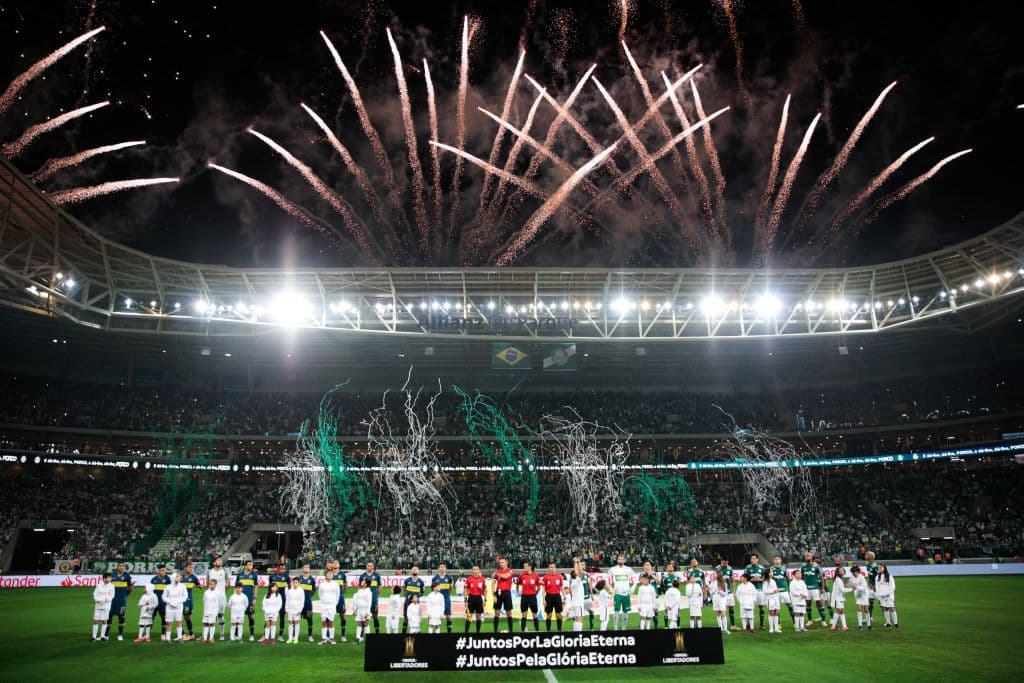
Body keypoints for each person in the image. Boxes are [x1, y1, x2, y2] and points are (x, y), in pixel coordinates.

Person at [234, 559, 260, 642]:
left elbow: (256, 587)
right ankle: (236, 634)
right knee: (238, 616)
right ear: (245, 566)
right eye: (249, 565)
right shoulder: (239, 575)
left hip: (250, 599)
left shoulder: (254, 575)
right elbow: (236, 587)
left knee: (250, 616)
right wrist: (235, 597)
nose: (251, 566)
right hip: (240, 600)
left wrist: (254, 598)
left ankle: (251, 635)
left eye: (252, 565)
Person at [801, 552, 828, 628]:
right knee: (808, 604)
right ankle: (810, 620)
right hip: (806, 589)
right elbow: (802, 578)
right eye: (805, 556)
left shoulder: (816, 566)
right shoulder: (803, 567)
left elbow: (821, 578)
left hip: (815, 588)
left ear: (811, 557)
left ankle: (823, 620)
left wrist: (822, 588)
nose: (806, 557)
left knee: (819, 603)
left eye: (807, 556)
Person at [107, 562, 133, 641]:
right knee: (109, 616)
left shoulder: (127, 576)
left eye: (123, 566)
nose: (121, 567)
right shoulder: (112, 575)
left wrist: (125, 595)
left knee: (121, 617)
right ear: (117, 566)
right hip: (111, 601)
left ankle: (120, 634)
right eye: (120, 566)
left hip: (122, 601)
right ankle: (106, 634)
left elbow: (130, 588)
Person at [608, 555, 634, 630]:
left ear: (624, 561)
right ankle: (615, 628)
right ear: (617, 560)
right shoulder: (613, 569)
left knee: (625, 612)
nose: (620, 560)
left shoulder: (628, 569)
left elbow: (635, 578)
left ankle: (624, 628)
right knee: (616, 611)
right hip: (617, 594)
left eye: (622, 559)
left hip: (626, 594)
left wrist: (632, 588)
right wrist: (611, 588)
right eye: (619, 559)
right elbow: (607, 578)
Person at [358, 561, 383, 634]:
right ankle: (361, 635)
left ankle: (377, 633)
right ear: (366, 566)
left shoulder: (377, 576)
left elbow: (379, 588)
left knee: (375, 617)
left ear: (373, 567)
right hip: (364, 601)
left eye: (371, 566)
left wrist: (375, 596)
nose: (369, 567)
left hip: (374, 600)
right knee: (363, 618)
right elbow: (359, 587)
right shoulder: (362, 576)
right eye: (368, 566)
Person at [714, 557, 738, 631]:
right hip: (721, 593)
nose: (726, 564)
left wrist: (734, 592)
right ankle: (722, 627)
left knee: (731, 607)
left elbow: (732, 580)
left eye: (727, 563)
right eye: (724, 562)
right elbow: (716, 579)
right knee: (721, 609)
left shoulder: (730, 568)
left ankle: (733, 625)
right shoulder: (717, 568)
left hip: (729, 591)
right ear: (721, 561)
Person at [491, 557, 515, 633]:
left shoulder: (510, 570)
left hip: (507, 593)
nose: (501, 564)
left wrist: (497, 574)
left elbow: (506, 576)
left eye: (502, 562)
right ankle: (495, 631)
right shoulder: (498, 571)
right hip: (498, 593)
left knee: (509, 613)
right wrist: (494, 595)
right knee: (497, 612)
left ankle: (511, 631)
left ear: (506, 562)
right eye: (500, 562)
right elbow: (493, 584)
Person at [207, 557, 228, 641]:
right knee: (211, 615)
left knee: (220, 615)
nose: (220, 561)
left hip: (221, 597)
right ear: (214, 562)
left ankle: (222, 634)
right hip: (211, 597)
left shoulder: (225, 571)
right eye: (218, 560)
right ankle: (210, 634)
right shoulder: (210, 572)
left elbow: (228, 583)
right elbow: (207, 583)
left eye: (221, 560)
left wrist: (221, 592)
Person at [267, 562, 290, 640]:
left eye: (284, 569)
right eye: (281, 568)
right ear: (277, 568)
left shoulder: (286, 576)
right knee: (269, 617)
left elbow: (289, 588)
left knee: (282, 617)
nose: (283, 570)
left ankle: (280, 635)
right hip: (273, 600)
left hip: (283, 600)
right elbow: (269, 588)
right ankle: (265, 634)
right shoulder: (272, 577)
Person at [743, 554, 766, 630]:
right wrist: (753, 579)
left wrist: (759, 579)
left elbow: (765, 579)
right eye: (751, 559)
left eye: (753, 558)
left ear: (757, 559)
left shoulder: (762, 568)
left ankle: (761, 624)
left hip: (759, 590)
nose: (752, 560)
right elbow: (744, 579)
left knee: (761, 607)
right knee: (749, 608)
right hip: (750, 592)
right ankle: (749, 624)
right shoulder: (747, 568)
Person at [318, 567, 341, 644]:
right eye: (328, 574)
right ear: (325, 575)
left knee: (331, 621)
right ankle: (324, 638)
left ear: (332, 575)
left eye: (331, 574)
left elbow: (338, 595)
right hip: (324, 605)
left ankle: (331, 638)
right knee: (324, 621)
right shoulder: (322, 584)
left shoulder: (335, 584)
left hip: (332, 605)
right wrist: (322, 603)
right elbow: (320, 595)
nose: (330, 575)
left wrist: (335, 604)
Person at [163, 573, 188, 642]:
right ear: (173, 578)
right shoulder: (168, 587)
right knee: (168, 622)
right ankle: (168, 639)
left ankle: (179, 638)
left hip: (179, 606)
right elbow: (164, 596)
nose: (179, 578)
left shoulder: (182, 586)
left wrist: (178, 601)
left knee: (179, 621)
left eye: (179, 577)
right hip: (169, 607)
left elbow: (185, 596)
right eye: (177, 577)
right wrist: (170, 602)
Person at [431, 563, 455, 633]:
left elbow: (451, 589)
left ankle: (449, 633)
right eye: (441, 567)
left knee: (448, 616)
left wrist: (447, 595)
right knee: (437, 617)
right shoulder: (435, 578)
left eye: (443, 567)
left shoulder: (449, 578)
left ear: (445, 568)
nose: (442, 568)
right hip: (437, 601)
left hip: (446, 599)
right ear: (438, 568)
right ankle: (437, 632)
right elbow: (433, 589)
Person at [540, 563, 564, 631]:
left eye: (553, 567)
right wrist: (544, 600)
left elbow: (562, 588)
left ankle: (559, 630)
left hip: (557, 596)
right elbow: (543, 589)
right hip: (549, 596)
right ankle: (548, 631)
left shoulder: (559, 577)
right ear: (548, 568)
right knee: (549, 615)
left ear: (555, 568)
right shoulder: (545, 577)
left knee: (558, 615)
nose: (552, 568)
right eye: (551, 567)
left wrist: (564, 597)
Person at [328, 559, 348, 642]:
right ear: (332, 565)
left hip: (340, 598)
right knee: (329, 616)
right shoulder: (329, 574)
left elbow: (345, 587)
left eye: (337, 562)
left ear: (339, 565)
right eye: (334, 563)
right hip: (331, 600)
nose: (335, 564)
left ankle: (343, 635)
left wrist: (341, 595)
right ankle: (329, 635)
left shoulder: (342, 575)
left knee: (342, 616)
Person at [518, 561, 541, 632]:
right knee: (524, 615)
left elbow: (538, 587)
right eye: (524, 566)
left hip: (532, 597)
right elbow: (518, 584)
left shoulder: (535, 575)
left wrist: (534, 593)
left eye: (526, 566)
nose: (524, 568)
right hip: (524, 597)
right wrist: (518, 592)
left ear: (530, 567)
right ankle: (522, 631)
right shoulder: (521, 575)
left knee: (534, 615)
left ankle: (537, 631)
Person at [402, 566, 426, 633]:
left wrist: (416, 598)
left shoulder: (421, 582)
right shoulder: (407, 580)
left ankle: (418, 632)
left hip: (416, 604)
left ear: (418, 572)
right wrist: (408, 598)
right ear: (411, 571)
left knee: (417, 619)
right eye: (413, 569)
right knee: (406, 619)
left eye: (416, 569)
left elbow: (422, 592)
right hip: (407, 602)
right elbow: (403, 590)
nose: (415, 570)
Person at [770, 555, 793, 625]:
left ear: (781, 561)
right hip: (775, 592)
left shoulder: (784, 569)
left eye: (778, 559)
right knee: (777, 608)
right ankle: (778, 624)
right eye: (775, 559)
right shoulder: (771, 569)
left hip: (784, 591)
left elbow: (788, 580)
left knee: (790, 606)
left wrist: (789, 590)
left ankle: (795, 622)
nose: (777, 560)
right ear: (773, 561)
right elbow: (770, 581)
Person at [180, 563, 200, 641]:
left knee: (186, 617)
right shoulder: (180, 578)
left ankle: (191, 634)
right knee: (178, 617)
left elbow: (200, 586)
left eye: (191, 568)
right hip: (180, 600)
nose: (190, 569)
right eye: (189, 567)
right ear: (185, 568)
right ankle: (182, 634)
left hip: (188, 600)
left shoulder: (193, 577)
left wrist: (197, 585)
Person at [92, 572, 115, 641]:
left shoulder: (111, 586)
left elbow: (112, 595)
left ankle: (102, 636)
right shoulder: (99, 585)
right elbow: (95, 594)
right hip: (98, 605)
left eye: (111, 577)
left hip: (106, 605)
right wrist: (98, 600)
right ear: (104, 578)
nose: (110, 579)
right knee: (96, 620)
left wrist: (105, 599)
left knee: (104, 621)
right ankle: (94, 637)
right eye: (109, 577)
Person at [150, 564, 171, 636]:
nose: (163, 572)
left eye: (164, 570)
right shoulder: (153, 579)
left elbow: (170, 591)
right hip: (154, 602)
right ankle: (147, 634)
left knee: (164, 617)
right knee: (151, 617)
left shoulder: (168, 579)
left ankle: (163, 634)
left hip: (163, 603)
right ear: (158, 570)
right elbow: (150, 591)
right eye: (162, 570)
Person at [874, 564, 898, 628]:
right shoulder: (877, 577)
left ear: (884, 568)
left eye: (880, 567)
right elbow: (877, 587)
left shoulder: (889, 576)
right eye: (878, 568)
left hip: (889, 595)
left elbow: (892, 587)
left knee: (892, 608)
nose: (879, 569)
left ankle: (896, 623)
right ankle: (888, 623)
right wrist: (878, 595)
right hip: (881, 596)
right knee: (885, 608)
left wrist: (887, 593)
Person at [566, 558, 587, 632]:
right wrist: (578, 562)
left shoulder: (572, 582)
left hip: (574, 602)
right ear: (576, 575)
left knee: (576, 618)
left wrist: (575, 563)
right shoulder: (577, 580)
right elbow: (580, 571)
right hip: (578, 603)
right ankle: (578, 633)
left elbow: (577, 571)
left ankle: (575, 632)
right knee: (580, 618)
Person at [298, 563, 317, 642]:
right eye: (305, 567)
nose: (307, 568)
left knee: (310, 619)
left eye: (308, 567)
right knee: (297, 619)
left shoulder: (312, 579)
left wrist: (308, 596)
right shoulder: (299, 579)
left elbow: (314, 590)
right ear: (302, 569)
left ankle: (310, 635)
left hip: (308, 603)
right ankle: (295, 635)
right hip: (299, 604)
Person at [464, 565, 487, 633]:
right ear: (472, 571)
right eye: (473, 569)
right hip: (471, 598)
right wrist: (465, 600)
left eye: (476, 569)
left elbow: (485, 590)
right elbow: (465, 590)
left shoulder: (482, 579)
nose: (475, 571)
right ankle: (466, 633)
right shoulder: (469, 579)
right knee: (469, 616)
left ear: (479, 571)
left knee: (478, 616)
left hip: (479, 598)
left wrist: (485, 599)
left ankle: (478, 632)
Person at [829, 566, 852, 631]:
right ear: (838, 572)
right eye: (840, 571)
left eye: (843, 570)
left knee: (841, 611)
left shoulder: (839, 579)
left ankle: (844, 627)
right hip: (837, 598)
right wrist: (852, 589)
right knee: (838, 611)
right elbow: (843, 590)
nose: (842, 571)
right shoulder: (838, 579)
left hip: (840, 598)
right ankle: (834, 626)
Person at [638, 561, 659, 629]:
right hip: (645, 596)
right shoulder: (642, 574)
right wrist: (647, 575)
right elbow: (641, 581)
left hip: (654, 596)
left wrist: (651, 574)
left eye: (649, 564)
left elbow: (659, 581)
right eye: (646, 565)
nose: (648, 566)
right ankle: (642, 626)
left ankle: (655, 626)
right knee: (643, 615)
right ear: (644, 566)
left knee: (655, 612)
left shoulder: (654, 573)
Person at [659, 561, 680, 628]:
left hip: (675, 597)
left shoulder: (676, 577)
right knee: (666, 611)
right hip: (668, 597)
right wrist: (666, 593)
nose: (671, 570)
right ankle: (666, 626)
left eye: (672, 569)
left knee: (677, 611)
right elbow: (662, 586)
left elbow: (678, 586)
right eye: (669, 569)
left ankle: (678, 626)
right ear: (667, 569)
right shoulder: (664, 577)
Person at [285, 577, 306, 644]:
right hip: (290, 609)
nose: (295, 584)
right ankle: (290, 638)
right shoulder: (289, 591)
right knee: (290, 623)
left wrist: (300, 610)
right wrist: (286, 610)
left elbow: (302, 601)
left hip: (297, 610)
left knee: (296, 623)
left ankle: (296, 638)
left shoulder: (301, 590)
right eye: (294, 582)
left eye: (296, 582)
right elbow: (287, 601)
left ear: (299, 583)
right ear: (292, 583)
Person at [850, 565, 871, 630]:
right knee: (859, 609)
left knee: (866, 610)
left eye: (854, 572)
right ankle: (860, 625)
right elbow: (851, 584)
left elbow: (864, 588)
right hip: (857, 595)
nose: (853, 573)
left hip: (864, 594)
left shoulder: (861, 578)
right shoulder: (852, 577)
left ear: (857, 571)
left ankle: (869, 624)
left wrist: (857, 587)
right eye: (852, 572)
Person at [353, 578, 373, 643]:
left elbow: (369, 602)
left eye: (363, 581)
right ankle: (357, 638)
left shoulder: (369, 592)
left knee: (366, 623)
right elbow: (356, 600)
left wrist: (367, 612)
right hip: (359, 610)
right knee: (359, 623)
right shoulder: (359, 591)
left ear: (366, 584)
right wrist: (355, 609)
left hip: (365, 610)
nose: (361, 582)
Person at [201, 578, 221, 643]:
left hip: (213, 611)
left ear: (215, 585)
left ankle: (211, 638)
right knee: (205, 624)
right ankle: (204, 638)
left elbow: (219, 602)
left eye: (212, 584)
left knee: (212, 624)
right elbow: (204, 601)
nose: (210, 585)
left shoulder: (218, 593)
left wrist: (216, 611)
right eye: (209, 584)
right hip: (206, 610)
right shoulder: (206, 592)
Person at [863, 551, 880, 627]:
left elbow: (879, 578)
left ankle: (888, 620)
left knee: (882, 604)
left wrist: (876, 587)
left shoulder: (875, 566)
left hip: (877, 587)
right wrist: (868, 581)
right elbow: (870, 575)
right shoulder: (867, 564)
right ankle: (870, 618)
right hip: (870, 586)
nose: (865, 555)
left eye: (867, 554)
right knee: (869, 603)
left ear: (871, 557)